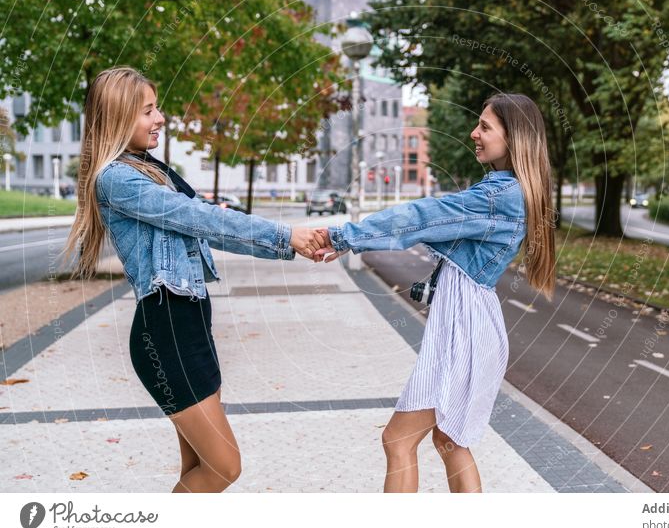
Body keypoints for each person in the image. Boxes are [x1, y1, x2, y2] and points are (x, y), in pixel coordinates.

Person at [64, 66, 326, 493]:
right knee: (224, 466)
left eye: (157, 108)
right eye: (148, 111)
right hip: (165, 331)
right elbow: (200, 217)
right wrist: (286, 236)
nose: (161, 118)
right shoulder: (117, 179)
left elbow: (212, 225)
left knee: (199, 468)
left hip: (189, 322)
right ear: (117, 117)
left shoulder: (149, 169)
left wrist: (289, 245)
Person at [315, 93, 556, 493]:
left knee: (398, 439)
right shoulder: (507, 191)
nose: (473, 133)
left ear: (514, 138)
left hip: (463, 332)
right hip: (471, 325)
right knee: (449, 441)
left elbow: (421, 218)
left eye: (485, 127)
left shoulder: (499, 197)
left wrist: (346, 236)